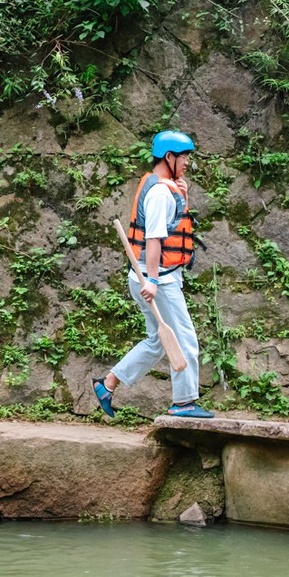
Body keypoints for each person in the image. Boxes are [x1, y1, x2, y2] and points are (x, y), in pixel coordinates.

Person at [93, 130, 213, 419]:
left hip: (148, 277)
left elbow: (172, 225)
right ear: (168, 157)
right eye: (183, 157)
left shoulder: (166, 186)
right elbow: (154, 240)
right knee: (184, 339)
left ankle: (107, 384)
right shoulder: (160, 192)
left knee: (157, 341)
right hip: (156, 279)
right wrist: (155, 281)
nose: (187, 162)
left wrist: (182, 196)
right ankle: (183, 403)